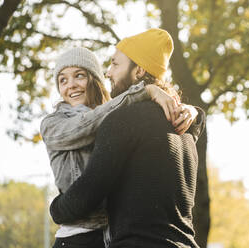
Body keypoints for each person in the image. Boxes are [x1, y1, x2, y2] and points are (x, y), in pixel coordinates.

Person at [50, 28, 203, 247]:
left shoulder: (123, 120)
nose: (108, 73)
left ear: (139, 70)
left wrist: (55, 208)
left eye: (115, 64)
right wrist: (196, 112)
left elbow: (86, 196)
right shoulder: (186, 128)